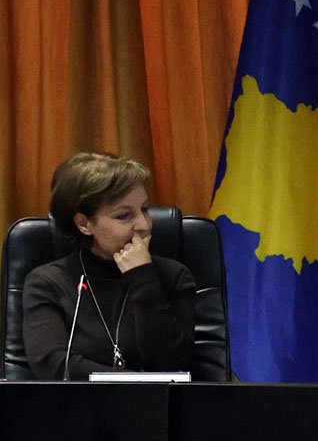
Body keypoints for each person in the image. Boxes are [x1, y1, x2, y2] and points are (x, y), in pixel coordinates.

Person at [23, 152, 196, 380]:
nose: (144, 225)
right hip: (79, 402)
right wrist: (132, 381)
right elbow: (53, 365)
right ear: (84, 224)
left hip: (157, 403)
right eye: (124, 216)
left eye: (145, 209)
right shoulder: (48, 283)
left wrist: (142, 278)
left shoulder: (173, 276)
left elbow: (170, 364)